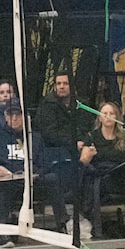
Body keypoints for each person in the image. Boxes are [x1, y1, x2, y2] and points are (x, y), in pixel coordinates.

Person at [80, 101, 125, 239]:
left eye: (111, 113)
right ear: (99, 117)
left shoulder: (124, 137)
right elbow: (82, 162)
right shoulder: (92, 136)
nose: (108, 116)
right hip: (103, 177)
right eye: (104, 113)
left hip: (120, 173)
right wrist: (90, 155)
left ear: (117, 117)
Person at [34, 70, 88, 234]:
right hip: (56, 150)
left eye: (65, 83)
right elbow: (49, 133)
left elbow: (87, 128)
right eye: (58, 84)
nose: (61, 87)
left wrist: (83, 143)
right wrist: (74, 143)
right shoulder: (47, 105)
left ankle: (85, 210)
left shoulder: (81, 105)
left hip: (81, 147)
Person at [0, 100, 27, 248]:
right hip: (7, 178)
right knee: (4, 185)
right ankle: (2, 232)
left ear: (24, 116)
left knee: (53, 179)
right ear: (5, 117)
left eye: (18, 114)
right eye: (11, 114)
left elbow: (42, 161)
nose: (14, 118)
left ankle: (63, 225)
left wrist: (33, 171)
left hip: (31, 179)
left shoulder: (33, 136)